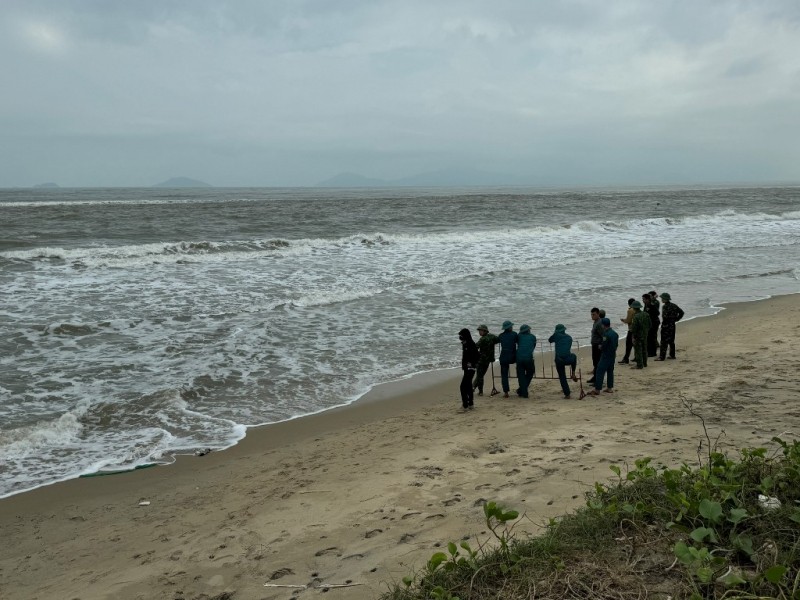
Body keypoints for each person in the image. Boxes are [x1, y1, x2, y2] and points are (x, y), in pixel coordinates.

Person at [588, 318, 619, 395]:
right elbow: (616, 345)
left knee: (599, 370)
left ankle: (597, 389)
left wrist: (600, 347)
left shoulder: (606, 334)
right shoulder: (615, 333)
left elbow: (604, 345)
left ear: (603, 325)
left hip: (606, 355)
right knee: (610, 371)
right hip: (612, 354)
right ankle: (609, 388)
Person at [548, 324, 578, 398]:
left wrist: (555, 334)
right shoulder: (569, 338)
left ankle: (567, 394)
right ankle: (573, 372)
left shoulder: (556, 336)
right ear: (564, 330)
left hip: (559, 360)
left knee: (562, 376)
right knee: (574, 356)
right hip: (568, 359)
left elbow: (550, 340)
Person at [656, 293, 685, 360]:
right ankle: (672, 355)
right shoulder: (674, 305)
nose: (661, 299)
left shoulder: (665, 307)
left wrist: (674, 319)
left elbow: (665, 317)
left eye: (662, 298)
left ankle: (662, 357)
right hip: (672, 325)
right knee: (671, 341)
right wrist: (676, 319)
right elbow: (681, 312)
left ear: (666, 299)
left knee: (663, 341)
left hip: (666, 325)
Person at [472, 325, 499, 396]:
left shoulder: (482, 339)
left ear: (484, 331)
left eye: (480, 331)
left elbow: (475, 348)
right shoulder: (492, 337)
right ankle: (473, 387)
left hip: (481, 360)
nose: (479, 332)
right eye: (479, 331)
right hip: (488, 360)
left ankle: (479, 391)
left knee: (480, 376)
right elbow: (498, 340)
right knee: (480, 375)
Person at [458, 328, 479, 409]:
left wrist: (471, 365)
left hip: (470, 369)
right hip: (468, 369)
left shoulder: (470, 344)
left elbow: (477, 355)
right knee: (469, 386)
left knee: (463, 387)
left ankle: (465, 405)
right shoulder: (466, 343)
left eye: (461, 336)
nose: (460, 338)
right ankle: (470, 404)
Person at [497, 321, 518, 398]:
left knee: (504, 375)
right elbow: (517, 341)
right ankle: (522, 387)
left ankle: (506, 392)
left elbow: (497, 340)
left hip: (503, 356)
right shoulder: (514, 334)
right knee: (519, 371)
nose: (512, 327)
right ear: (509, 327)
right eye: (511, 326)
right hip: (513, 356)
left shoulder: (501, 335)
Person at [515, 324, 536, 398]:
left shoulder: (519, 336)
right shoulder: (533, 337)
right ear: (528, 330)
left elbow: (517, 342)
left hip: (519, 358)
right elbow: (533, 346)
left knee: (521, 376)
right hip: (528, 358)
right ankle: (523, 391)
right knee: (530, 372)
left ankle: (522, 391)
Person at [629, 300, 651, 369]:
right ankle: (645, 363)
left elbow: (634, 328)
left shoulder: (636, 316)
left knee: (638, 350)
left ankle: (639, 365)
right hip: (645, 334)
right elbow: (650, 324)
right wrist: (646, 330)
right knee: (644, 349)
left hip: (638, 335)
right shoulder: (646, 314)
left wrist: (633, 336)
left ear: (633, 308)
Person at [587, 308, 603, 383]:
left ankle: (597, 379)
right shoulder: (596, 322)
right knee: (595, 362)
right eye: (591, 314)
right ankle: (595, 378)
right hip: (594, 345)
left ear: (598, 314)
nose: (592, 316)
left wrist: (601, 344)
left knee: (597, 362)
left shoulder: (599, 323)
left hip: (597, 346)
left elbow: (603, 335)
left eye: (594, 314)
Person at [618, 298, 636, 364]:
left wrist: (623, 320)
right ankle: (637, 356)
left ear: (629, 304)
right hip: (637, 329)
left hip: (631, 329)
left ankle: (626, 358)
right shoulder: (637, 309)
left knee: (628, 344)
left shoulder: (630, 310)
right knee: (635, 344)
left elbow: (628, 320)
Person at [646, 291, 660, 357]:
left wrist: (654, 299)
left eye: (650, 296)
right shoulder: (647, 304)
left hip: (654, 321)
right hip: (649, 321)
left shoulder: (655, 302)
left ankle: (653, 351)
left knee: (653, 336)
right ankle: (652, 348)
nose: (649, 297)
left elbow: (656, 311)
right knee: (651, 336)